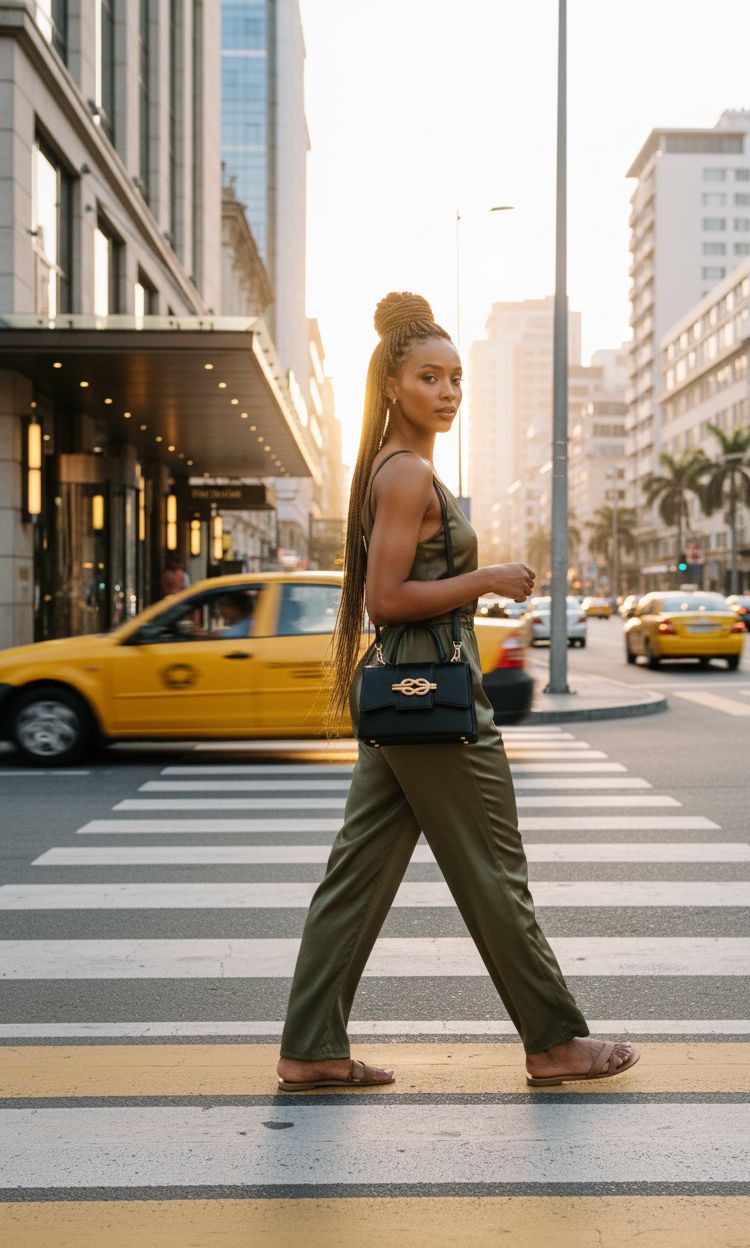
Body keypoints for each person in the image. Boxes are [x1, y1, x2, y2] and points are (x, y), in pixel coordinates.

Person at [276, 292, 640, 1091]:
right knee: (493, 870)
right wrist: (489, 578)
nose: (448, 392)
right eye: (429, 378)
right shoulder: (406, 474)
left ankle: (310, 1048)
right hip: (434, 690)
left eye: (456, 378)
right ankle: (554, 1041)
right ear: (392, 386)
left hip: (403, 691)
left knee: (357, 875)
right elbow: (385, 599)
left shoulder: (391, 468)